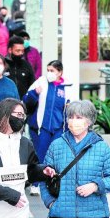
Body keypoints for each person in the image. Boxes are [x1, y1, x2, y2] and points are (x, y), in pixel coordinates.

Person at [39, 100, 110, 218]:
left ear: (88, 121)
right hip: (62, 213)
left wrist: (96, 186)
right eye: (70, 117)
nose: (73, 121)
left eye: (79, 117)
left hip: (94, 214)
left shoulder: (101, 147)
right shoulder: (56, 145)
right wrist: (50, 203)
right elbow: (44, 178)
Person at [23, 60, 67, 196]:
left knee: (57, 156)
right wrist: (35, 93)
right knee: (39, 155)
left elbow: (69, 106)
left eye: (52, 70)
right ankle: (35, 184)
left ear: (60, 72)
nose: (49, 73)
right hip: (42, 127)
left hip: (58, 127)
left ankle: (55, 182)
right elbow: (25, 100)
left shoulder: (66, 86)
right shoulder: (41, 82)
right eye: (48, 70)